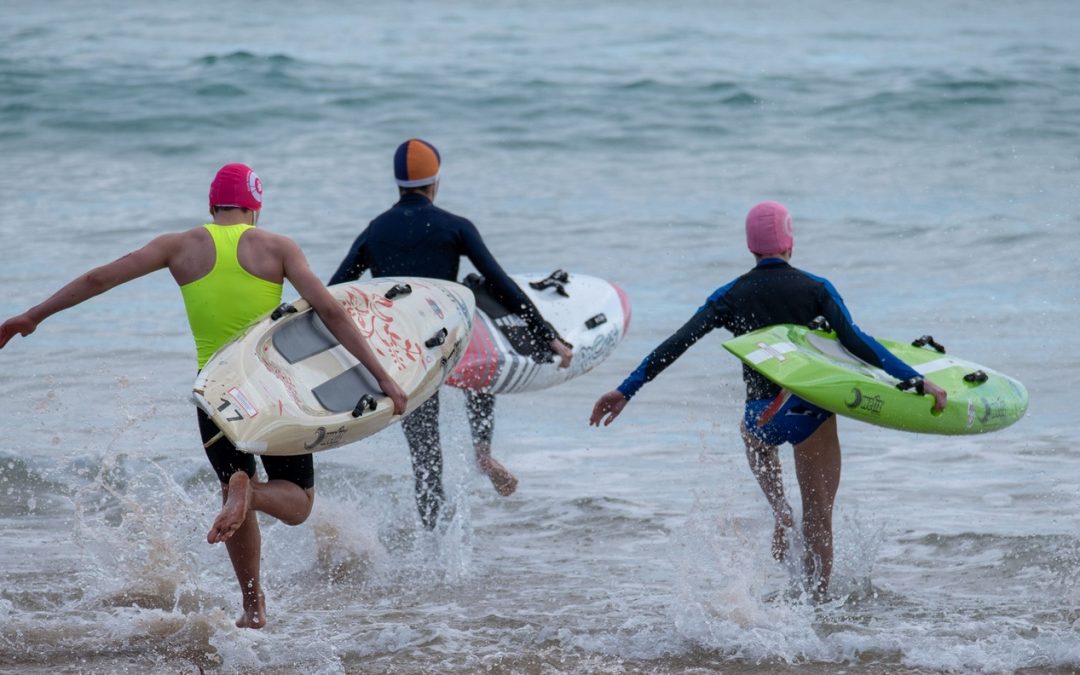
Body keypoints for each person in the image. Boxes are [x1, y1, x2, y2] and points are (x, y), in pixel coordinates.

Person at [0, 163, 407, 629]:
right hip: (273, 393)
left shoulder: (178, 246)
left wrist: (33, 316)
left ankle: (252, 607)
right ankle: (250, 493)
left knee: (230, 483)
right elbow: (330, 310)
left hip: (216, 396)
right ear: (254, 207)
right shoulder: (277, 247)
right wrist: (384, 378)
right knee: (298, 502)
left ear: (213, 207)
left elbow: (100, 279)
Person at [589, 201, 946, 597]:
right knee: (819, 519)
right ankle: (816, 609)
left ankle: (779, 510)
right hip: (809, 413)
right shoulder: (816, 289)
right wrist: (916, 379)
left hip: (761, 418)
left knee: (753, 437)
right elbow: (859, 344)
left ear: (750, 248)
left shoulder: (729, 295)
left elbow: (675, 345)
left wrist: (626, 390)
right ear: (790, 242)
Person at [330, 138, 572, 529]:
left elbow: (337, 291)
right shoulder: (455, 227)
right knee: (482, 358)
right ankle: (482, 451)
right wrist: (550, 336)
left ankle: (433, 543)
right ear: (435, 181)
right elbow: (501, 285)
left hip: (403, 354)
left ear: (397, 183)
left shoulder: (375, 230)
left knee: (425, 459)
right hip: (451, 343)